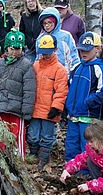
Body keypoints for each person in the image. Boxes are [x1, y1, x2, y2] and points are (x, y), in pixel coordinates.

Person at [0, 29, 36, 160]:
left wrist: (26, 111)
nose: (14, 52)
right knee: (2, 137)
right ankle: (3, 162)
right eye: (12, 49)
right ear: (6, 48)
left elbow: (29, 90)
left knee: (17, 136)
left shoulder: (26, 65)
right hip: (1, 107)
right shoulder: (0, 64)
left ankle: (19, 162)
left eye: (18, 49)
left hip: (17, 110)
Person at [65, 32, 103, 162]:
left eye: (87, 50)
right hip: (73, 115)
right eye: (81, 50)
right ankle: (70, 169)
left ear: (97, 49)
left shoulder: (99, 68)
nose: (83, 53)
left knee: (86, 146)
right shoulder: (77, 66)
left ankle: (85, 173)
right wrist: (67, 105)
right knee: (71, 144)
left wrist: (88, 102)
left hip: (88, 116)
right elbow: (69, 86)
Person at [27, 34, 68, 171]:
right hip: (35, 109)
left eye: (48, 53)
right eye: (43, 53)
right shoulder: (35, 66)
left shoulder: (60, 69)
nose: (45, 56)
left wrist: (56, 107)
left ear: (55, 50)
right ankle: (33, 155)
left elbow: (61, 90)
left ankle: (43, 160)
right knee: (32, 136)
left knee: (47, 137)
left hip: (49, 110)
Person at [36, 7, 80, 73]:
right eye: (44, 23)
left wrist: (74, 72)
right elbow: (38, 58)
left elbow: (73, 56)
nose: (47, 25)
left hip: (64, 73)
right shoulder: (40, 38)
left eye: (50, 22)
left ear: (56, 21)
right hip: (45, 74)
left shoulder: (65, 36)